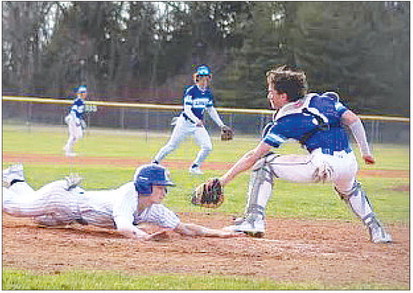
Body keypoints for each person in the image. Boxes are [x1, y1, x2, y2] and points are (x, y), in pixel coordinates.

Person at [209, 65, 391, 244]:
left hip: (322, 164)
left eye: (272, 92)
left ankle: (254, 219)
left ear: (283, 96)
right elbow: (353, 120)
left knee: (263, 163)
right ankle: (377, 230)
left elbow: (253, 156)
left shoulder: (287, 120)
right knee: (350, 190)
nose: (269, 96)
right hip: (349, 162)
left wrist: (223, 180)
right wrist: (366, 152)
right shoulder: (323, 100)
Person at [2, 163, 243, 241]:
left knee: (36, 217)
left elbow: (186, 229)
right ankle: (12, 182)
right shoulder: (129, 195)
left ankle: (14, 177)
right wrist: (145, 238)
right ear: (146, 186)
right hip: (61, 199)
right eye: (161, 187)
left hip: (69, 216)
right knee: (14, 208)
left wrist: (222, 233)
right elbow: (124, 227)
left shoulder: (152, 208)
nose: (164, 192)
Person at [152, 65, 230, 175]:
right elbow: (187, 109)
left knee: (207, 147)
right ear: (197, 78)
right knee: (171, 146)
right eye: (201, 77)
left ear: (209, 78)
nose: (204, 80)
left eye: (206, 77)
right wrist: (196, 120)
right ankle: (155, 163)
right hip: (185, 123)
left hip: (197, 126)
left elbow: (211, 110)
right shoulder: (191, 91)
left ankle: (195, 166)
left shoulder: (208, 93)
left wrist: (221, 125)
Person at [63, 85, 88, 157]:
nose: (85, 94)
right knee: (74, 135)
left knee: (79, 135)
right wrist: (76, 121)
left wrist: (81, 120)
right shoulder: (78, 101)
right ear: (81, 93)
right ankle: (68, 151)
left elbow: (78, 113)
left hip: (75, 119)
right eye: (84, 92)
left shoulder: (81, 101)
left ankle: (67, 147)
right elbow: (73, 111)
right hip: (73, 119)